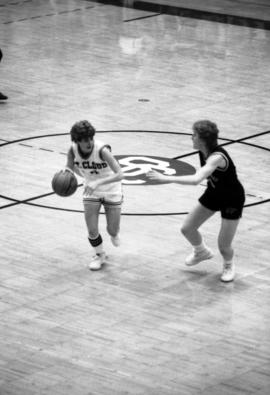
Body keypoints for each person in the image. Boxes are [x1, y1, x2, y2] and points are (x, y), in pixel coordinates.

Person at [147, 120, 245, 282]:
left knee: (223, 245)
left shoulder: (217, 157)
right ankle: (201, 251)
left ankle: (228, 265)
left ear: (202, 139)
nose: (191, 138)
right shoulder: (203, 151)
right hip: (214, 193)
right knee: (187, 228)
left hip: (231, 199)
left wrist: (166, 178)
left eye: (194, 135)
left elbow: (196, 179)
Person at [64, 120, 124, 270]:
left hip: (112, 189)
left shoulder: (102, 150)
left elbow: (120, 174)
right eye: (85, 140)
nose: (89, 142)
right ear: (77, 141)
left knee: (112, 230)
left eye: (91, 138)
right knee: (92, 229)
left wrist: (97, 182)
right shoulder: (72, 151)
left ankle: (114, 233)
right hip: (91, 190)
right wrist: (67, 175)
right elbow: (69, 168)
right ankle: (99, 254)